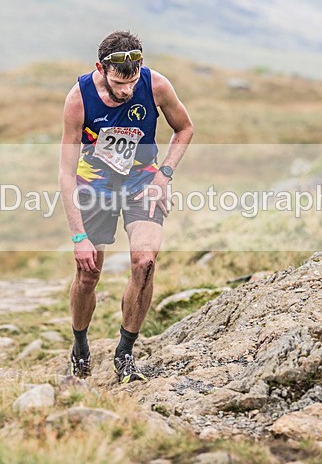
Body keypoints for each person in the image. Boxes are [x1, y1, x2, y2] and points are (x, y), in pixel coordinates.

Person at [59, 31, 194, 383]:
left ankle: (125, 352)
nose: (128, 90)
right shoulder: (79, 99)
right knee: (88, 275)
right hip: (95, 186)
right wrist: (78, 237)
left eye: (133, 81)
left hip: (142, 183)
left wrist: (164, 175)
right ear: (100, 69)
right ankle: (80, 345)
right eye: (120, 82)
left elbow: (185, 128)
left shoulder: (157, 86)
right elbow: (65, 171)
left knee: (145, 262)